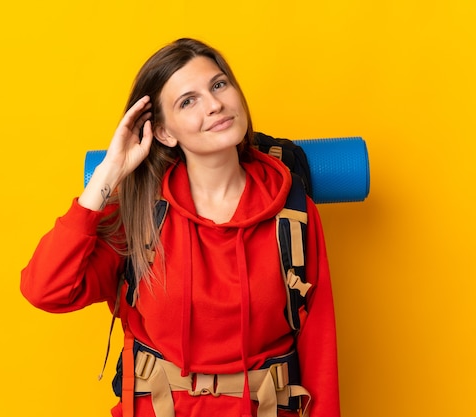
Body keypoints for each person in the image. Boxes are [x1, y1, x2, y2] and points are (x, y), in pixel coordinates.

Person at [21, 38, 340, 417]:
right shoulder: (139, 212)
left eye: (219, 85)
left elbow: (320, 349)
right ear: (165, 133)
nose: (215, 104)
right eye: (187, 101)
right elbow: (47, 290)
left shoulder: (291, 210)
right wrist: (106, 177)